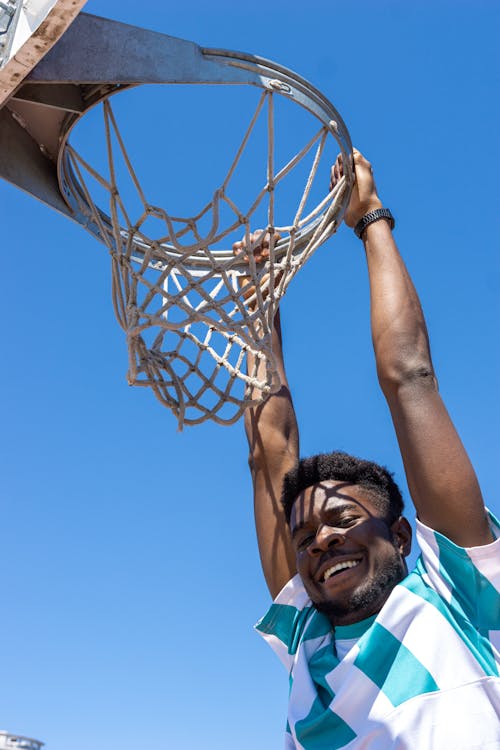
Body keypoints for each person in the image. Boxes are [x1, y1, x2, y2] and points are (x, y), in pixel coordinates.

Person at [240, 150, 500, 749]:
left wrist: (369, 218)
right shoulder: (306, 642)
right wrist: (261, 303)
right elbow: (268, 455)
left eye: (343, 520)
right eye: (304, 539)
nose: (321, 540)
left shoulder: (456, 596)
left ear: (402, 537)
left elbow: (410, 376)